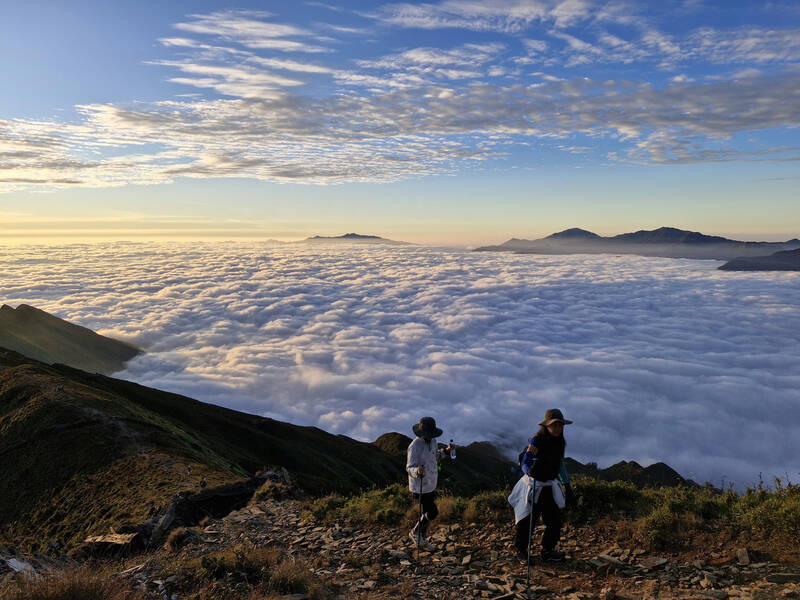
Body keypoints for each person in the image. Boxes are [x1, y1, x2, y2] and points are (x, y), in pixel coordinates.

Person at [508, 408, 576, 563]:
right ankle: (521, 550)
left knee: (554, 520)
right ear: (547, 426)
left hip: (549, 485)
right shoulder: (537, 440)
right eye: (555, 425)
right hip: (534, 485)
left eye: (560, 425)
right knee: (527, 519)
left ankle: (547, 550)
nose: (558, 428)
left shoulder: (560, 442)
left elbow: (560, 465)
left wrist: (568, 486)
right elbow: (526, 461)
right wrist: (530, 470)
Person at [406, 416, 455, 551]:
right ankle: (416, 533)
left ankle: (420, 537)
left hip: (431, 483)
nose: (429, 437)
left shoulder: (433, 441)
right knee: (432, 512)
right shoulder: (415, 446)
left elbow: (435, 456)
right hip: (419, 486)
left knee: (428, 512)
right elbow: (409, 467)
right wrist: (417, 471)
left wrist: (446, 451)